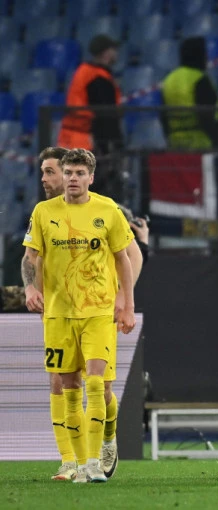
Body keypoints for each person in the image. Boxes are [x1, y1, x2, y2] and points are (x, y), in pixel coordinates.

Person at [22, 148, 136, 483]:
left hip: (98, 312)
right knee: (68, 388)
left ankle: (96, 457)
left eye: (79, 173)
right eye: (69, 173)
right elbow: (30, 257)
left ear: (91, 177)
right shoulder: (43, 212)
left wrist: (127, 304)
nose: (73, 179)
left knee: (98, 384)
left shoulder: (108, 210)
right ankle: (75, 462)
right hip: (59, 314)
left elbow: (125, 258)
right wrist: (30, 289)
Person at [58, 35, 122, 154]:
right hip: (85, 140)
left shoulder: (85, 71)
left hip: (72, 138)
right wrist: (117, 145)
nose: (116, 53)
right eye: (114, 50)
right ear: (106, 53)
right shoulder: (98, 77)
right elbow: (105, 116)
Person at [161, 37, 218, 150]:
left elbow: (163, 116)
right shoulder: (199, 79)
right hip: (200, 144)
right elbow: (206, 117)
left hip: (175, 145)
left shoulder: (169, 79)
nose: (207, 58)